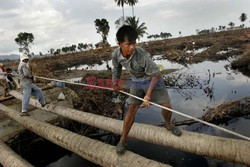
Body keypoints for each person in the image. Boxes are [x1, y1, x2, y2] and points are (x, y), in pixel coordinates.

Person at [112, 25, 182, 155]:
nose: (132, 47)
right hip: (136, 81)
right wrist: (115, 83)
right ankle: (122, 140)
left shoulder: (142, 54)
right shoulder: (115, 55)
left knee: (166, 106)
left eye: (134, 43)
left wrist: (148, 96)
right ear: (119, 44)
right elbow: (116, 70)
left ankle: (168, 124)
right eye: (128, 44)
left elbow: (155, 75)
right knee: (131, 109)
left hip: (152, 78)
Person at [18, 52, 48, 116]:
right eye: (25, 59)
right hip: (26, 84)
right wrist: (31, 76)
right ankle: (24, 111)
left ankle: (42, 102)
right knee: (26, 96)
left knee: (38, 90)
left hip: (27, 83)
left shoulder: (21, 64)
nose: (26, 60)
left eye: (26, 59)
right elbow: (26, 74)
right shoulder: (23, 65)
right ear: (22, 59)